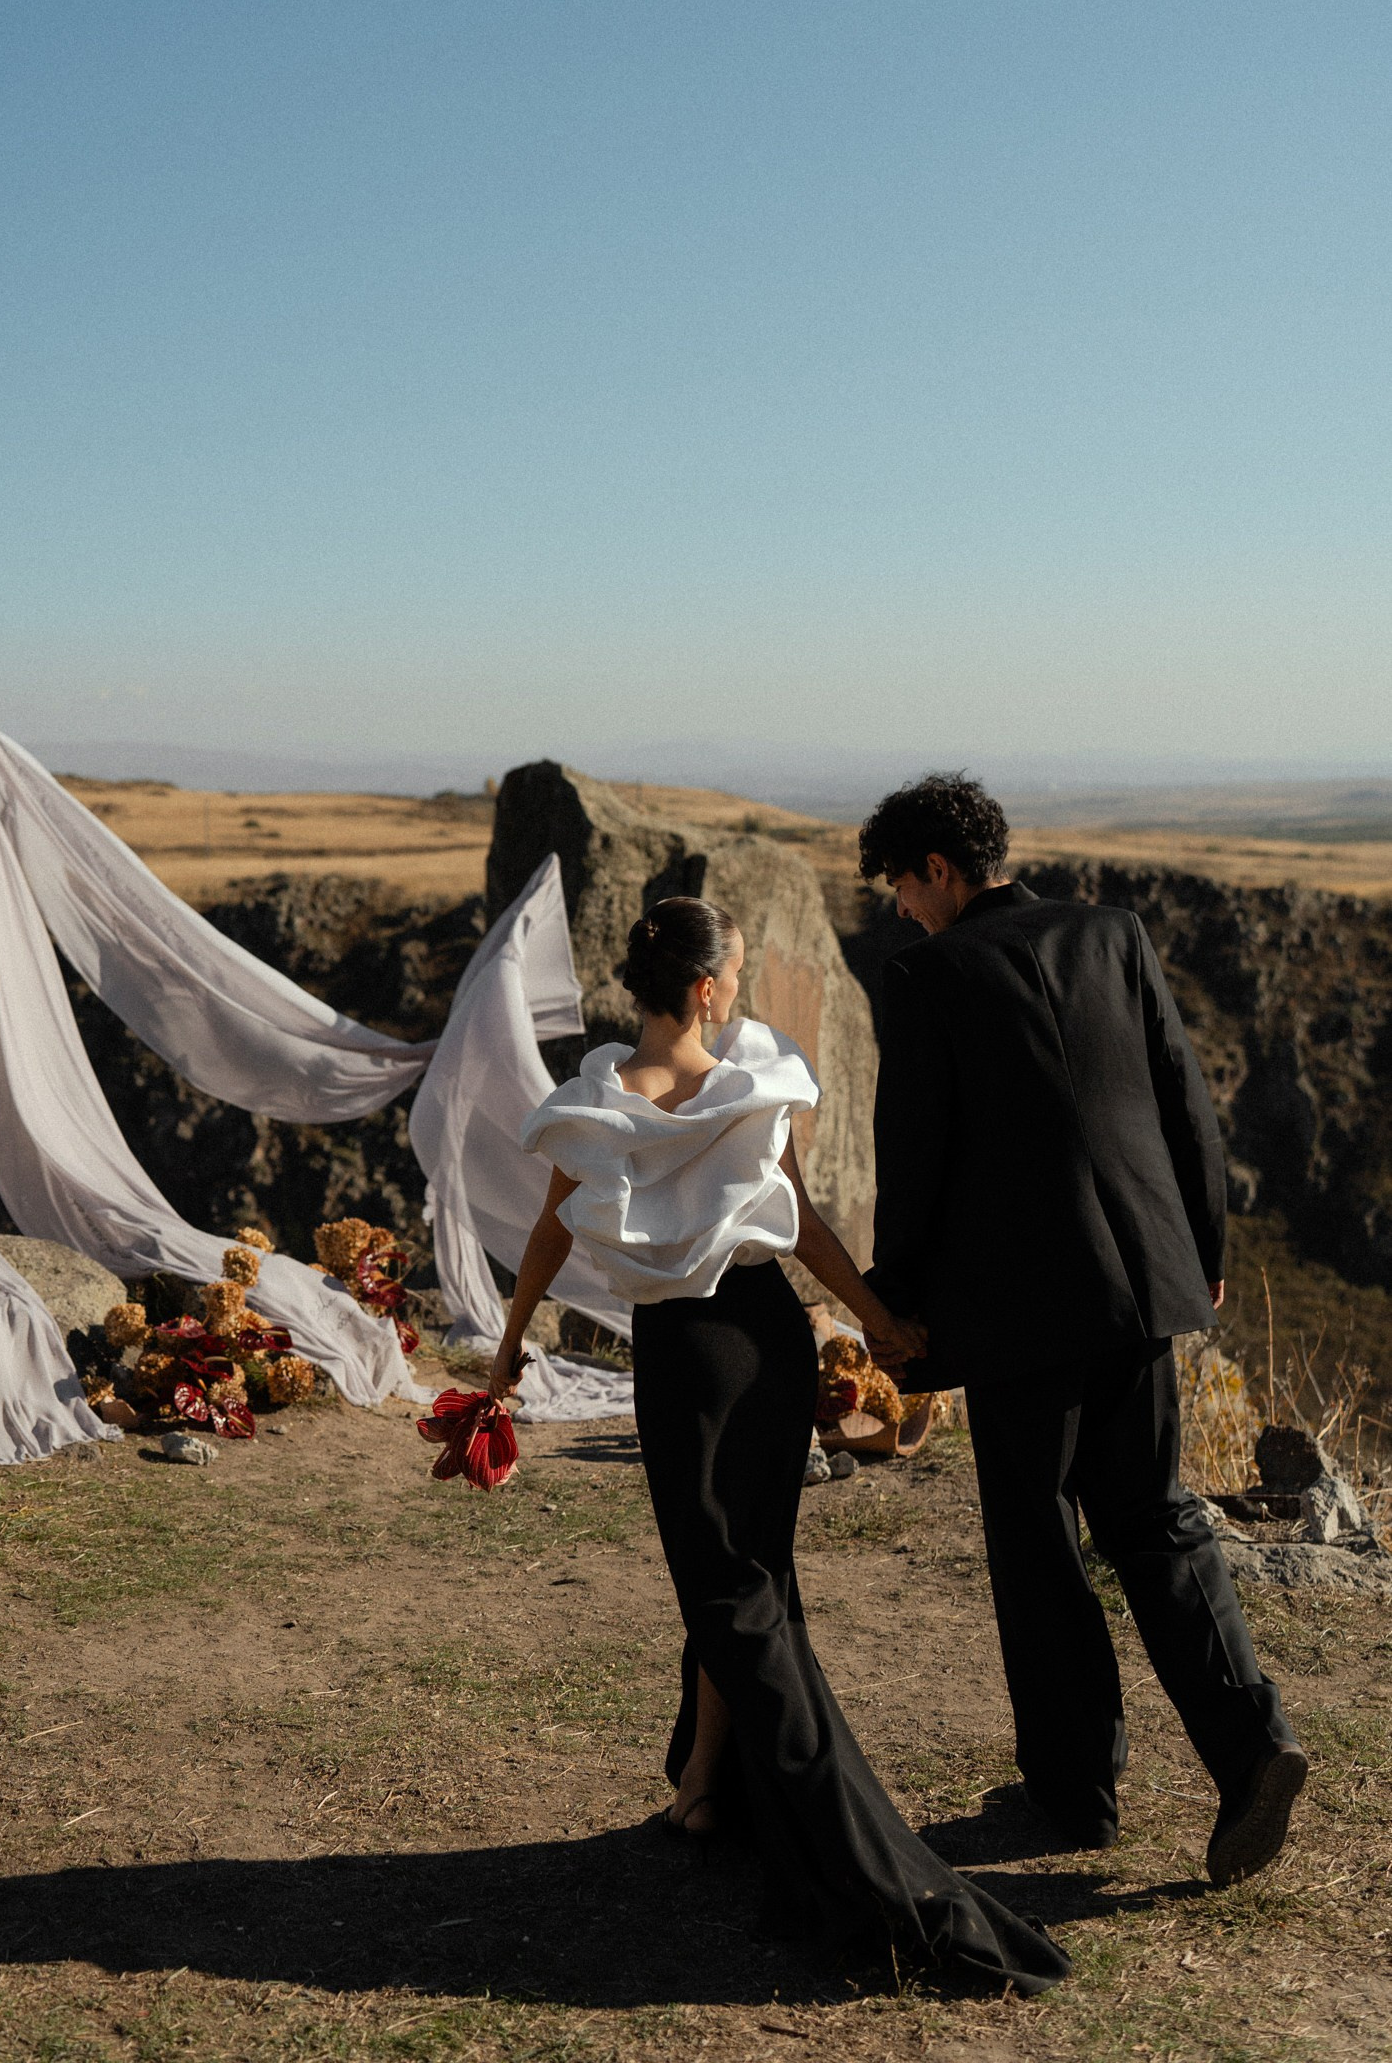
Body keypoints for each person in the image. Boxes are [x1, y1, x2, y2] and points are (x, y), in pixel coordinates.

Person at [489, 897, 1069, 1996]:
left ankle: (847, 1848)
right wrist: (878, 1318)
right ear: (707, 989)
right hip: (769, 1342)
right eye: (739, 972)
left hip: (686, 1362)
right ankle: (707, 1783)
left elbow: (554, 1229)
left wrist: (511, 1343)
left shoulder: (599, 1101)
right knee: (747, 1578)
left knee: (732, 1592)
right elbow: (796, 1218)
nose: (744, 990)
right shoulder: (755, 1078)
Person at [858, 772, 1305, 1885]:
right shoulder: (1117, 933)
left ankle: (1072, 1789)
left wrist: (894, 1300)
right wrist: (1197, 1258)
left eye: (901, 890)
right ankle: (1252, 1745)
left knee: (1038, 1535)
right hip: (1144, 1278)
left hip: (1018, 1304)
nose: (899, 913)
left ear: (940, 872)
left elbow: (915, 1155)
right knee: (1156, 1516)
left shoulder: (925, 972)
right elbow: (1183, 1102)